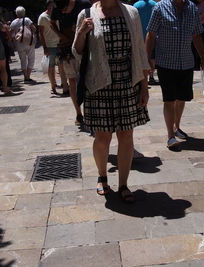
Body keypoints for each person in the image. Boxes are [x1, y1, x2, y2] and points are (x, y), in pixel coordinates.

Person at [73, 0, 150, 202]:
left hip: (127, 82)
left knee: (126, 135)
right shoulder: (87, 13)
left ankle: (123, 184)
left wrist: (144, 85)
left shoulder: (131, 13)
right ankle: (102, 177)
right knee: (102, 137)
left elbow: (140, 51)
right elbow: (77, 51)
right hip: (99, 84)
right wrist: (81, 32)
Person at [146, 0, 204, 148]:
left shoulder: (192, 8)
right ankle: (170, 136)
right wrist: (146, 59)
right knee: (169, 100)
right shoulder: (160, 7)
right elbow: (151, 34)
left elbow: (196, 35)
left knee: (182, 98)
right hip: (166, 63)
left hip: (186, 63)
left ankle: (177, 127)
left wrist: (203, 56)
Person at [51, 0, 92, 125]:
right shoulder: (57, 7)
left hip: (85, 47)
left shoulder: (84, 5)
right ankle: (78, 113)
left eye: (64, 9)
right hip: (67, 48)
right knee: (72, 80)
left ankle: (90, 110)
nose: (63, 12)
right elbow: (52, 23)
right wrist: (62, 36)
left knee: (87, 78)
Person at [38, 0, 65, 95]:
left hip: (60, 43)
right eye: (50, 5)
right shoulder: (42, 17)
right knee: (51, 66)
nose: (52, 7)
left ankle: (64, 84)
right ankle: (53, 86)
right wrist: (44, 47)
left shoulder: (58, 15)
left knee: (62, 65)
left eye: (53, 5)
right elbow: (41, 33)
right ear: (47, 6)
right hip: (50, 45)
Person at [133, 0, 158, 85]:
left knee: (141, 57)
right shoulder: (155, 4)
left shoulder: (136, 5)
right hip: (153, 35)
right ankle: (151, 76)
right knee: (152, 57)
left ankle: (143, 77)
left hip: (140, 35)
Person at [10, 6, 36, 83]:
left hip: (19, 43)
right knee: (31, 58)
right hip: (29, 42)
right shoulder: (27, 20)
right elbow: (34, 28)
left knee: (23, 59)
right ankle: (28, 76)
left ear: (16, 13)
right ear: (24, 12)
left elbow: (11, 32)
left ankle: (25, 76)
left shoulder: (13, 22)